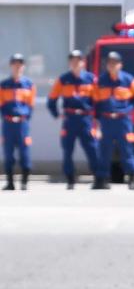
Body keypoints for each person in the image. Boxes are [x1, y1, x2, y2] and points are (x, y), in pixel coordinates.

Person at [47, 49, 101, 190]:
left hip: (85, 119)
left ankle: (98, 178)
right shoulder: (63, 80)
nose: (75, 64)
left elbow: (98, 102)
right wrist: (56, 114)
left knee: (92, 149)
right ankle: (70, 179)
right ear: (69, 63)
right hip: (70, 119)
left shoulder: (91, 79)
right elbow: (51, 100)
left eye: (78, 61)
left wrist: (97, 122)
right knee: (67, 150)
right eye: (72, 61)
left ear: (83, 63)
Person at [93, 49, 134, 190]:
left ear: (120, 65)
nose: (112, 66)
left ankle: (132, 177)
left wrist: (128, 109)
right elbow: (96, 103)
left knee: (126, 150)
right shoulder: (100, 81)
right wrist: (96, 122)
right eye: (109, 63)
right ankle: (102, 179)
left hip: (123, 121)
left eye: (115, 63)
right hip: (106, 121)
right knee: (104, 150)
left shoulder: (129, 80)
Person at [1, 53, 35, 191]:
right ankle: (10, 182)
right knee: (8, 153)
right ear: (11, 65)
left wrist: (24, 118)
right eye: (15, 63)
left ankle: (25, 182)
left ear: (23, 66)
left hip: (22, 124)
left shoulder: (28, 85)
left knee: (25, 152)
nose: (17, 67)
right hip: (8, 124)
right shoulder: (4, 85)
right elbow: (1, 105)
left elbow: (30, 105)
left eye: (20, 64)